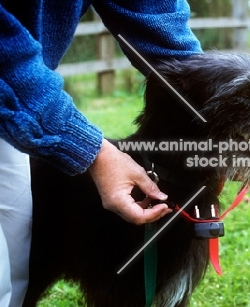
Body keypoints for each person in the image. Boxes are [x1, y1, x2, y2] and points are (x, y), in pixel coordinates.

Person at [0, 1, 203, 306]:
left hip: (10, 107)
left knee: (13, 269)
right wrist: (92, 150)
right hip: (11, 83)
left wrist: (205, 98)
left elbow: (150, 8)